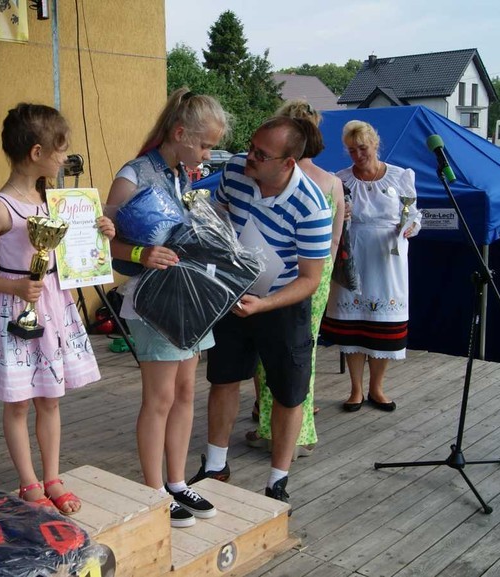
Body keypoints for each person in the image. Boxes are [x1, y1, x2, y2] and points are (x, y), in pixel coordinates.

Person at [0, 103, 116, 516]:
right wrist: (14, 285)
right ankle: (29, 482)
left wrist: (100, 233)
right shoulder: (1, 208)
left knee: (50, 397)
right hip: (15, 309)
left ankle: (53, 477)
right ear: (36, 153)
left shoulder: (56, 201)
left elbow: (75, 254)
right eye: (60, 149)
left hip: (51, 305)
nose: (65, 158)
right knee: (18, 401)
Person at [190, 115, 333, 505]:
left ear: (288, 163)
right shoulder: (236, 169)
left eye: (261, 153)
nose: (249, 156)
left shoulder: (312, 206)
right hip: (235, 294)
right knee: (223, 379)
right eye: (251, 146)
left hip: (282, 303)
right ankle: (215, 465)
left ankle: (277, 482)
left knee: (288, 393)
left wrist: (265, 304)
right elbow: (218, 213)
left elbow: (310, 279)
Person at [106, 87, 229, 528]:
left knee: (184, 393)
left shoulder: (181, 175)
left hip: (189, 296)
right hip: (153, 301)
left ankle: (177, 481)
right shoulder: (133, 175)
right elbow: (102, 245)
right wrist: (141, 254)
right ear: (179, 133)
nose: (208, 156)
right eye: (205, 145)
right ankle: (154, 488)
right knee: (159, 398)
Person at [245, 100, 346, 458]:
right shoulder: (332, 182)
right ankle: (298, 432)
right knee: (302, 357)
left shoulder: (285, 182)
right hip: (317, 272)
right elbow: (335, 240)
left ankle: (272, 428)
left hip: (281, 275)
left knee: (271, 356)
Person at [320, 120, 421, 413]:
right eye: (351, 150)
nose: (358, 155)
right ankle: (355, 389)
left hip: (388, 258)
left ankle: (377, 387)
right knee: (354, 325)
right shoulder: (340, 180)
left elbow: (414, 214)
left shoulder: (400, 176)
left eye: (362, 148)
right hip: (353, 255)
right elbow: (329, 217)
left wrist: (410, 227)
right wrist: (340, 213)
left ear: (375, 144)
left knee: (383, 323)